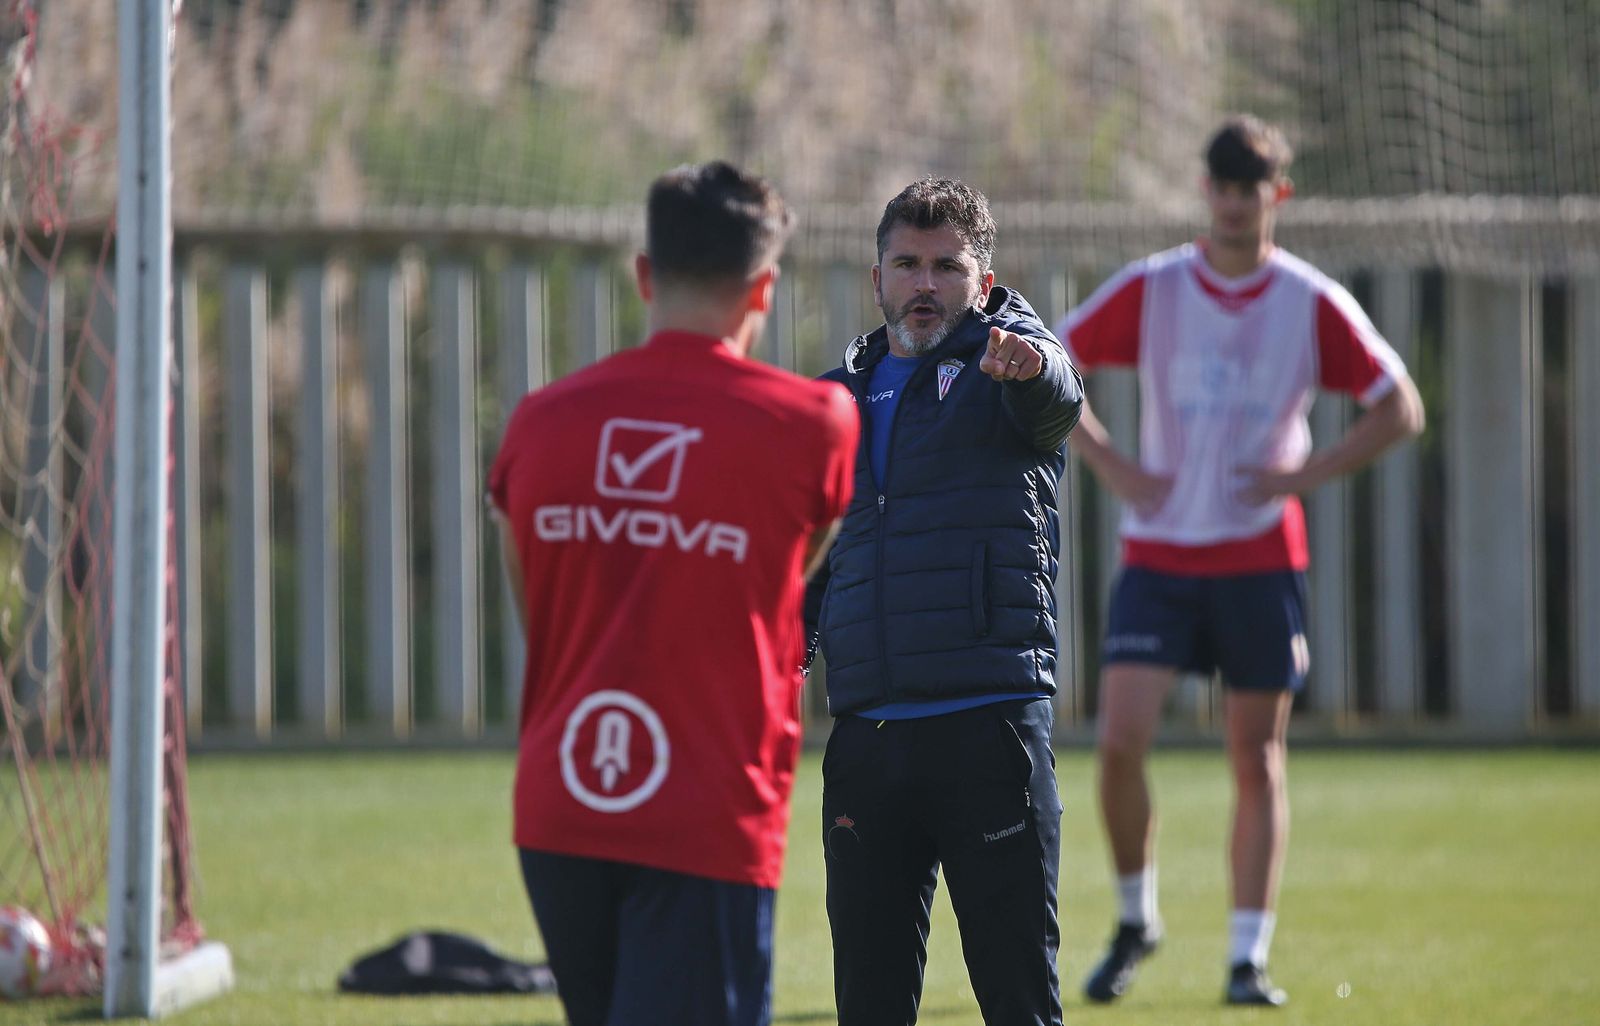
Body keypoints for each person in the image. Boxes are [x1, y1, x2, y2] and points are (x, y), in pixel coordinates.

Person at [1059, 115, 1426, 1007]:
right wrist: (1112, 463)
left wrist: (1308, 472)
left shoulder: (1310, 299)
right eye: (1220, 187)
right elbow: (1046, 362)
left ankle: (1245, 958)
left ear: (1278, 195)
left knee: (1256, 760)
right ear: (1205, 193)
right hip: (1159, 555)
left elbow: (1400, 407)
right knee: (1117, 743)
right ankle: (1136, 916)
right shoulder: (1154, 288)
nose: (1232, 203)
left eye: (1249, 188)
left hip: (1260, 561)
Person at [488, 160, 858, 1026]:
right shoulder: (815, 425)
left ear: (644, 275)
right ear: (763, 289)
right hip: (706, 808)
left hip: (561, 803)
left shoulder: (540, 422)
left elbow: (534, 603)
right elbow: (790, 573)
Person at [803, 176, 1085, 1026]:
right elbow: (812, 554)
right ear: (877, 279)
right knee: (869, 1004)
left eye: (946, 268)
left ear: (983, 283)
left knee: (1018, 1002)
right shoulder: (835, 395)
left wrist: (1032, 369)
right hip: (867, 737)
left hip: (987, 727)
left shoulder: (1008, 363)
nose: (925, 285)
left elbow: (1057, 399)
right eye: (907, 264)